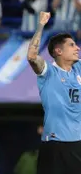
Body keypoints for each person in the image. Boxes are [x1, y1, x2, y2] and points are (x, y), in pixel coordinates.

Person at [27, 11, 81, 174]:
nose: (77, 48)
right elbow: (31, 56)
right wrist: (41, 25)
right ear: (58, 51)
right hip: (55, 144)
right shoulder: (48, 72)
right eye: (71, 45)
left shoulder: (78, 68)